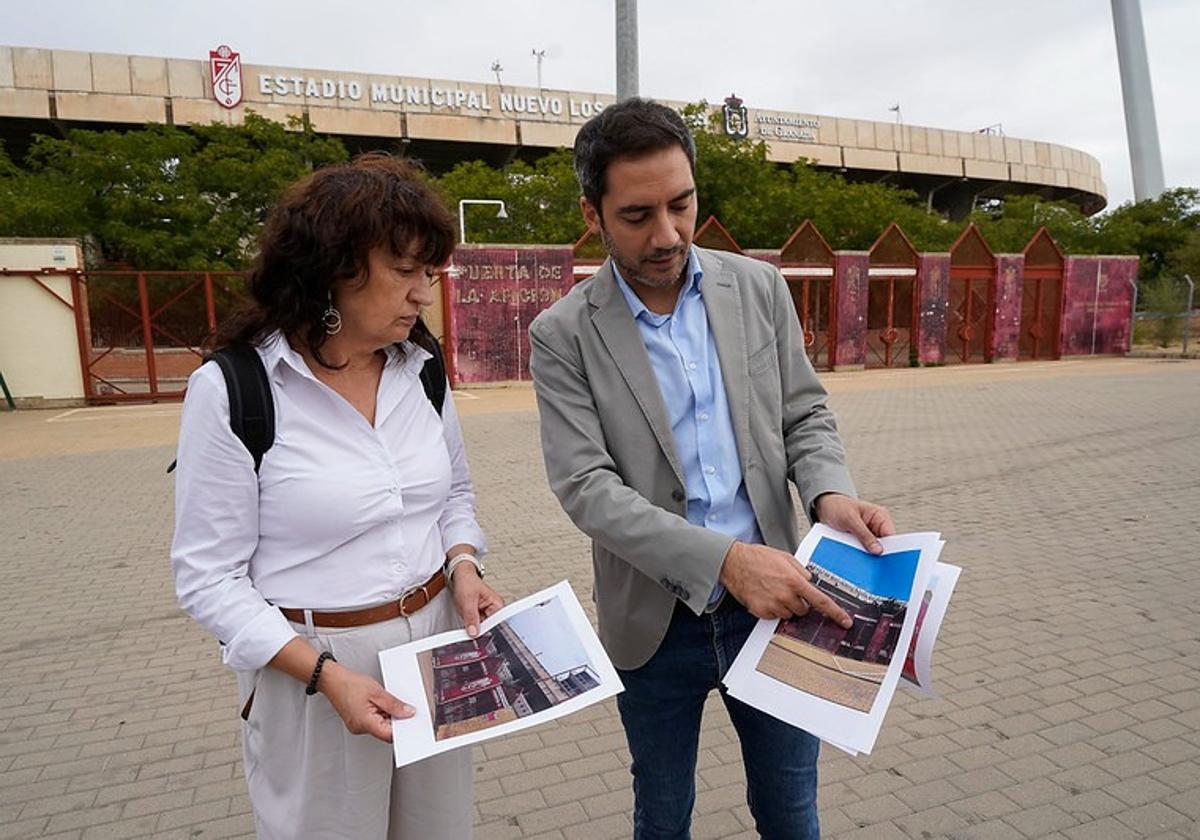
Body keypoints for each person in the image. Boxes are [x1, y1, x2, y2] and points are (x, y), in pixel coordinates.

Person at [528, 98, 894, 839]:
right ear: (592, 213)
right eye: (636, 215)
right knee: (662, 815)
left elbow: (804, 413)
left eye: (681, 204)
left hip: (783, 602)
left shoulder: (756, 288)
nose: (666, 235)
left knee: (792, 813)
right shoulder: (562, 333)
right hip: (653, 623)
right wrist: (725, 562)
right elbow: (586, 489)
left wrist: (830, 493)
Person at [170, 153, 502, 840]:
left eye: (429, 273)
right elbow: (207, 577)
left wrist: (464, 566)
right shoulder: (237, 390)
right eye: (404, 271)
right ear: (334, 269)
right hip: (312, 672)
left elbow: (453, 494)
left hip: (436, 651)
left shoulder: (423, 369)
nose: (423, 294)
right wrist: (325, 675)